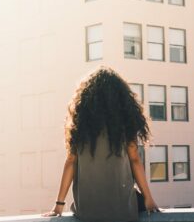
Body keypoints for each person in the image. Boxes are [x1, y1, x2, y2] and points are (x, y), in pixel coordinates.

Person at [42, 66, 159, 221]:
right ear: (121, 97)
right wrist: (148, 199)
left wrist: (59, 205)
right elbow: (135, 160)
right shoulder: (125, 124)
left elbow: (70, 162)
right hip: (122, 210)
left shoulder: (80, 125)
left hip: (87, 212)